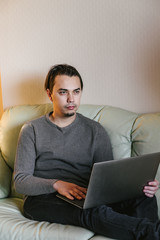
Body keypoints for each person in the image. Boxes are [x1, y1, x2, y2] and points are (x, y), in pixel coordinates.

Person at [14, 64, 160, 240]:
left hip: (86, 195)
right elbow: (20, 181)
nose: (71, 99)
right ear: (49, 93)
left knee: (144, 197)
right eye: (63, 92)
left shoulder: (95, 130)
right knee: (93, 212)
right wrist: (57, 184)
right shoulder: (31, 130)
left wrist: (139, 186)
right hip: (43, 199)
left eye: (76, 91)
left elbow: (109, 178)